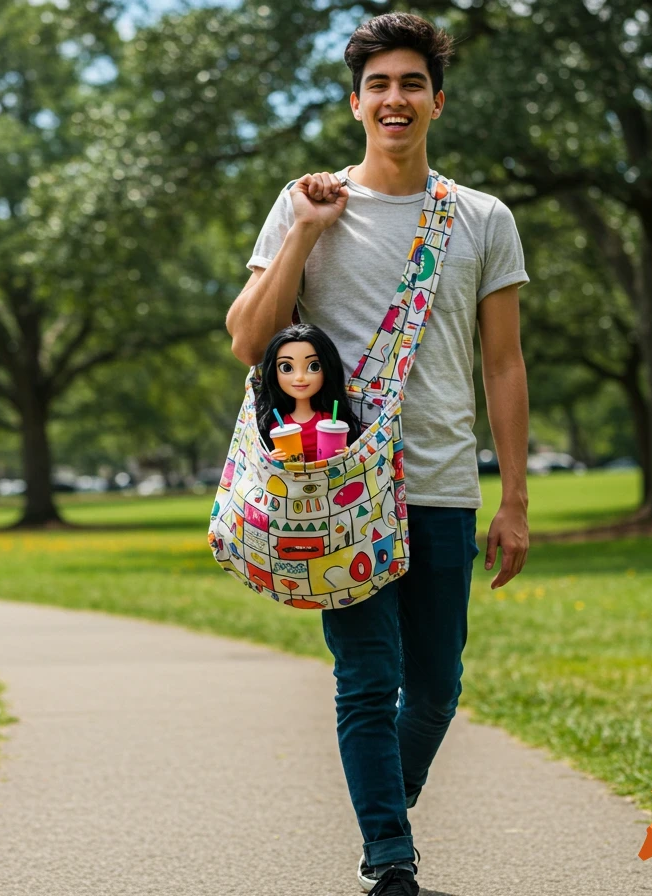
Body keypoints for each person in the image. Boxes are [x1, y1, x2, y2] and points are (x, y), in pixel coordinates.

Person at [225, 12, 530, 896]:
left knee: (435, 688)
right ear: (356, 102)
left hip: (440, 484)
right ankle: (390, 860)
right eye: (379, 85)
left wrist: (513, 499)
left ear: (437, 99)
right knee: (367, 678)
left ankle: (380, 811)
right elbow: (248, 339)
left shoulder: (480, 219)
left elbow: (504, 364)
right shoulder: (304, 203)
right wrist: (308, 233)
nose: (394, 100)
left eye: (411, 84)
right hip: (336, 489)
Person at [255, 323, 362, 462]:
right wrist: (273, 459)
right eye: (286, 368)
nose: (299, 377)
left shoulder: (331, 421)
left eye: (314, 366)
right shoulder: (275, 425)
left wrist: (347, 453)